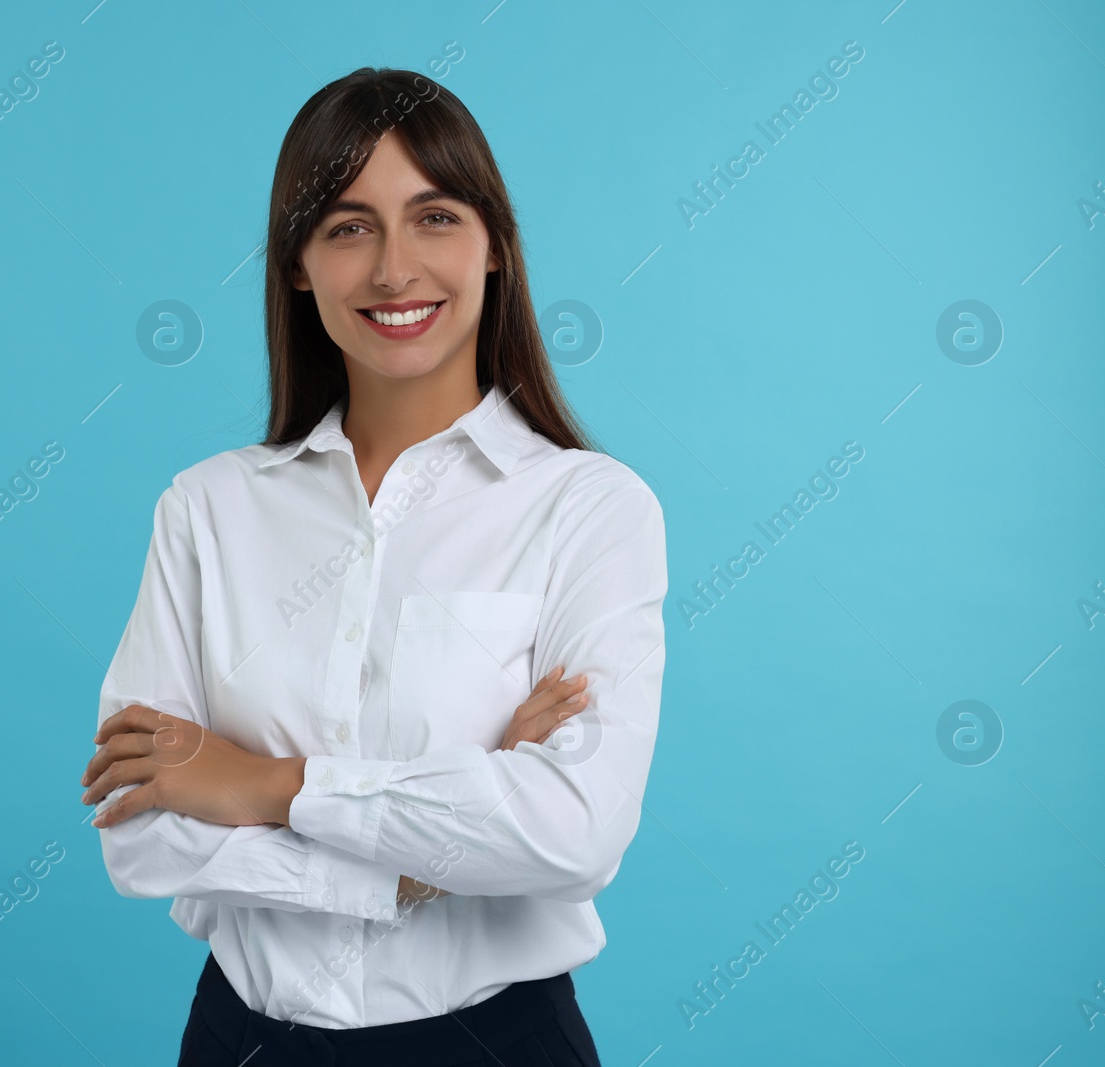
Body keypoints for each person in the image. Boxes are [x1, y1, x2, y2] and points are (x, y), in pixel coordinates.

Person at [79, 67, 666, 1066]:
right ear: (299, 264)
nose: (394, 268)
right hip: (239, 1040)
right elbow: (138, 832)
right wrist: (422, 864)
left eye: (433, 217)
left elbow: (572, 834)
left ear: (494, 248)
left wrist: (260, 782)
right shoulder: (208, 509)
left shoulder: (588, 507)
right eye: (348, 226)